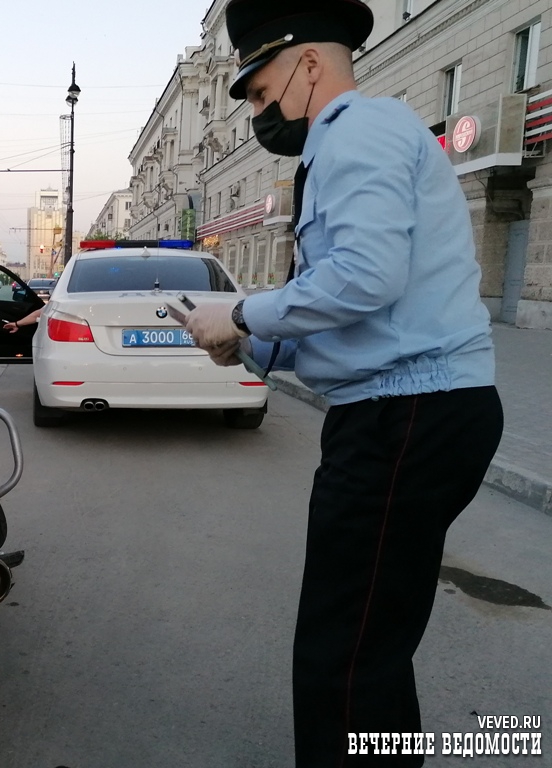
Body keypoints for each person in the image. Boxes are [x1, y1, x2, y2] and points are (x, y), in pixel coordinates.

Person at [182, 1, 503, 765]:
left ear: (309, 64)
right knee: (367, 642)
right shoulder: (348, 143)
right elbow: (353, 310)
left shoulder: (358, 131)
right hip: (410, 409)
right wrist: (252, 346)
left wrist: (244, 314)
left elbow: (364, 279)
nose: (257, 114)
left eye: (260, 94)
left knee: (345, 653)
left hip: (407, 414)